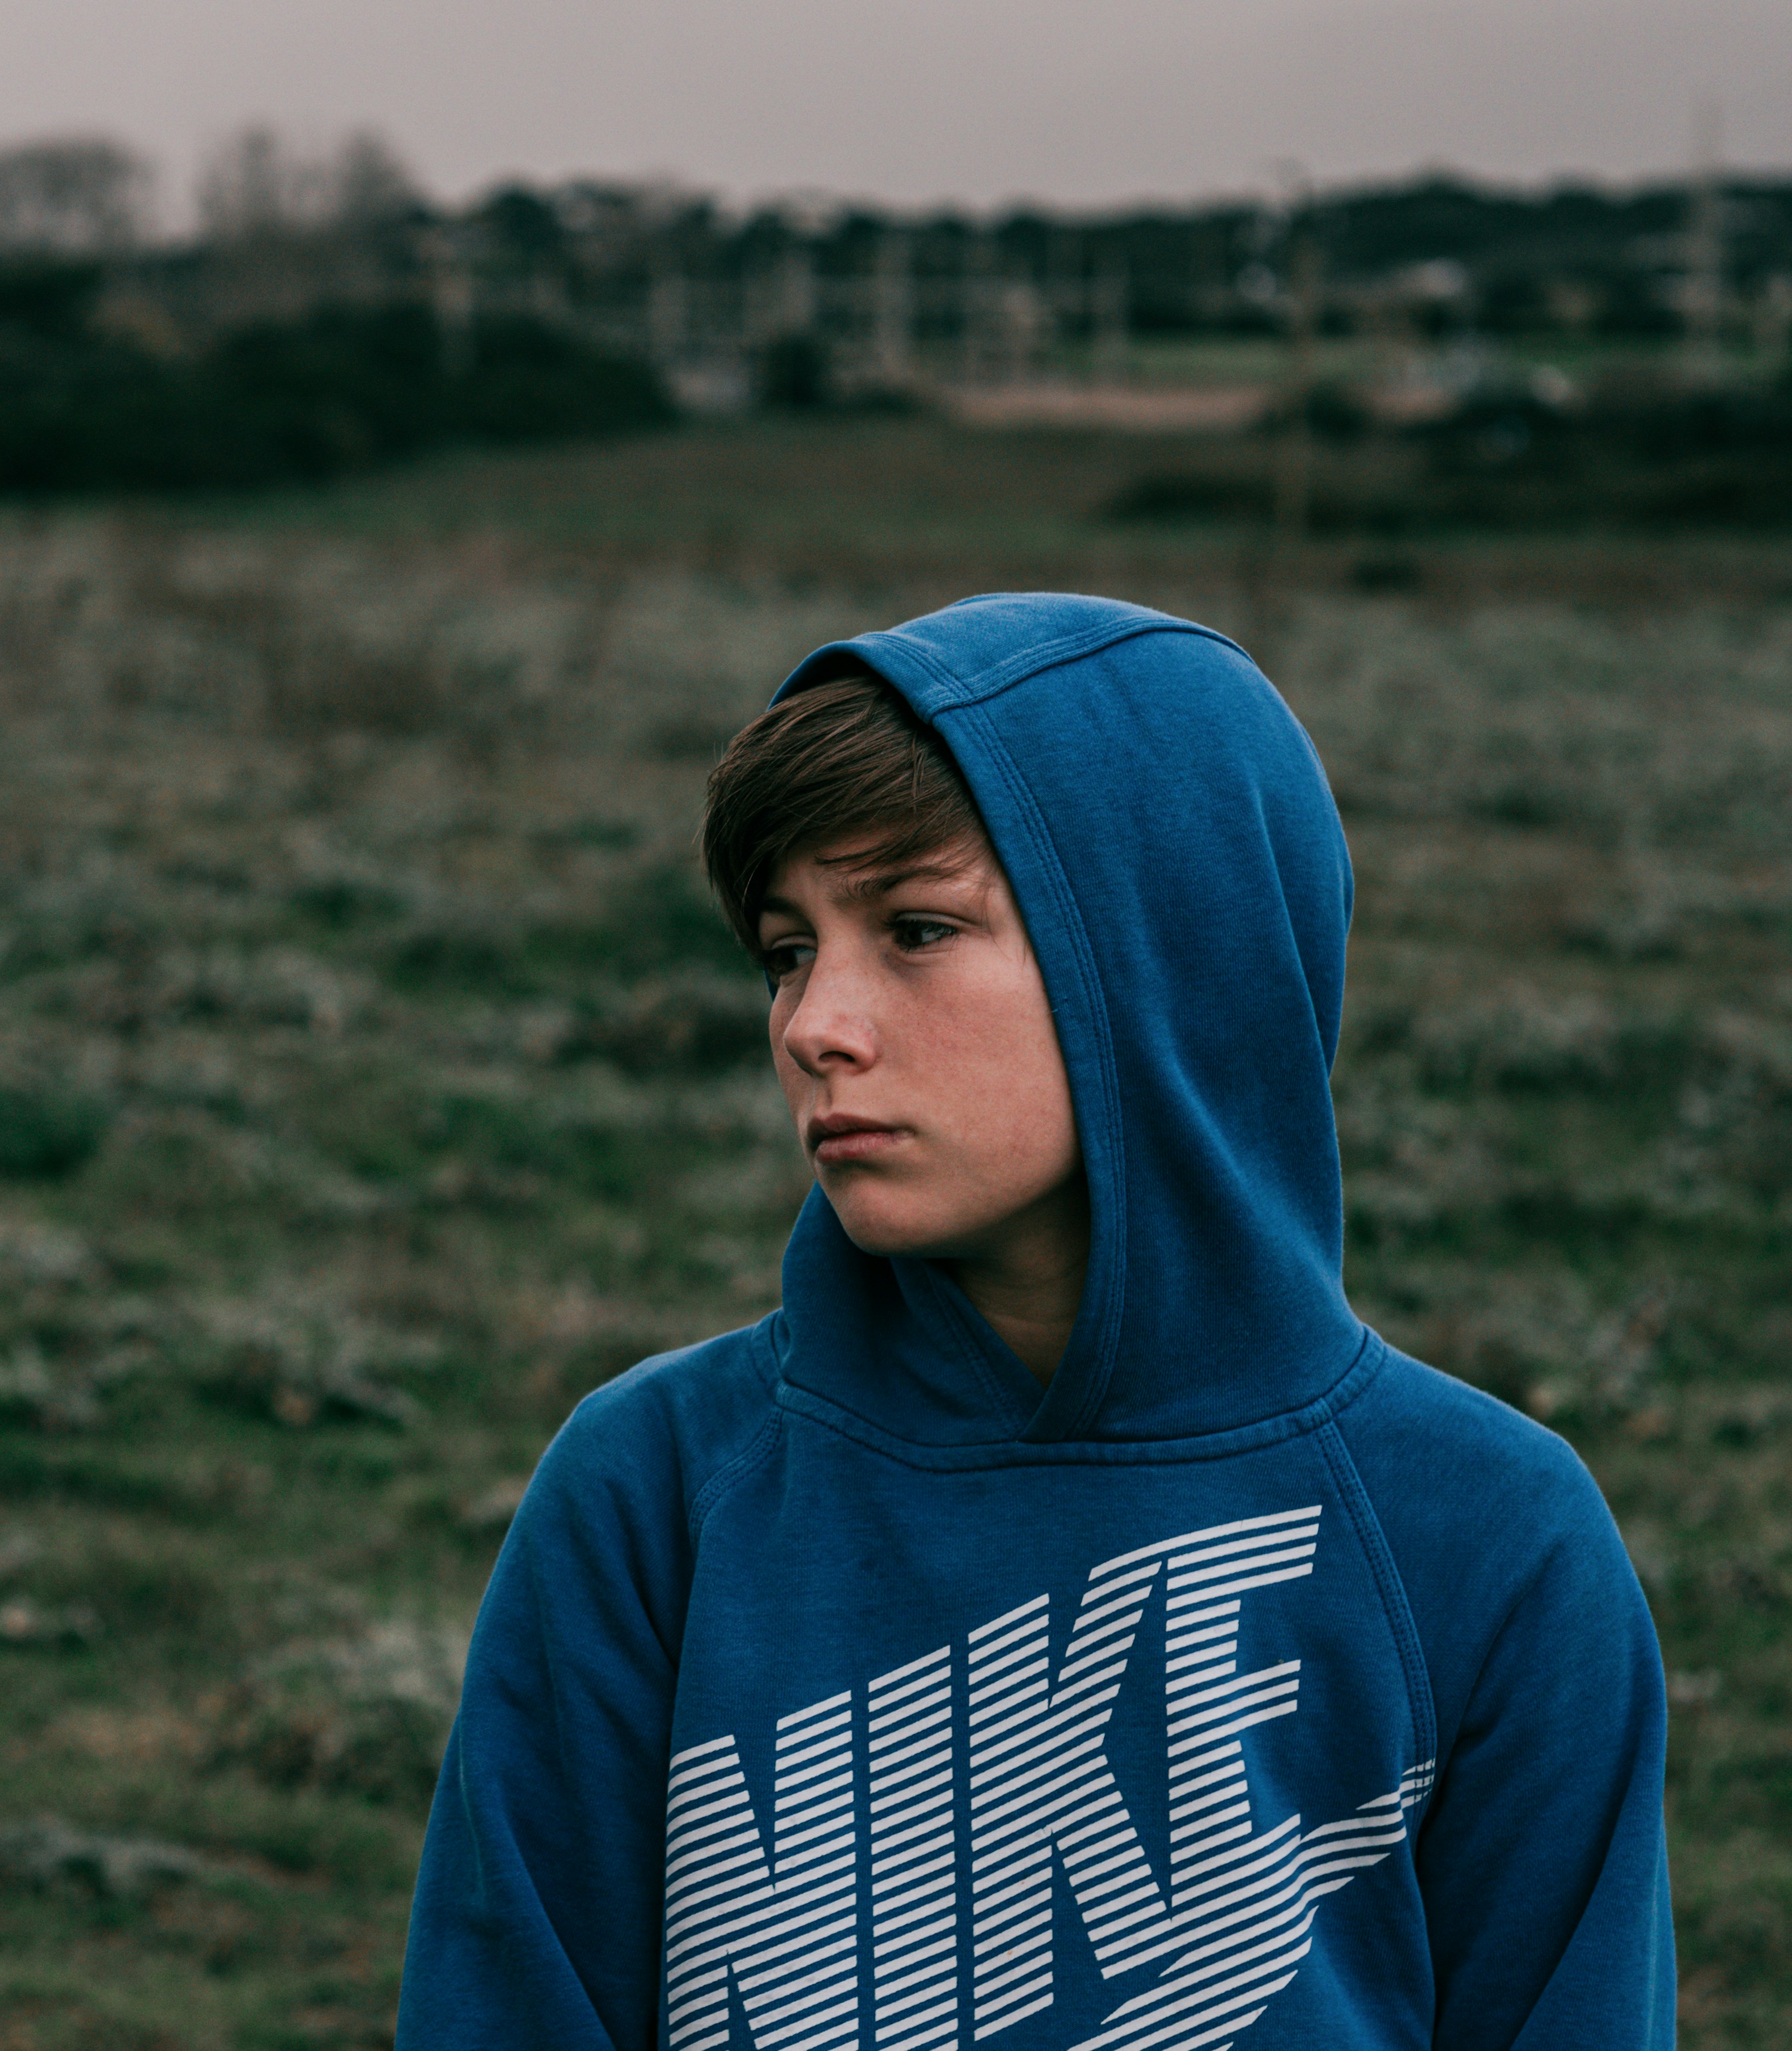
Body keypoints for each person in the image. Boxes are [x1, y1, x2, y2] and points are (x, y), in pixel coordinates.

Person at [393, 594, 1672, 2051]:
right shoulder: (653, 1496)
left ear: (1167, 956)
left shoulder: (1492, 1538)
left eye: (915, 929)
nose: (813, 1024)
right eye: (786, 950)